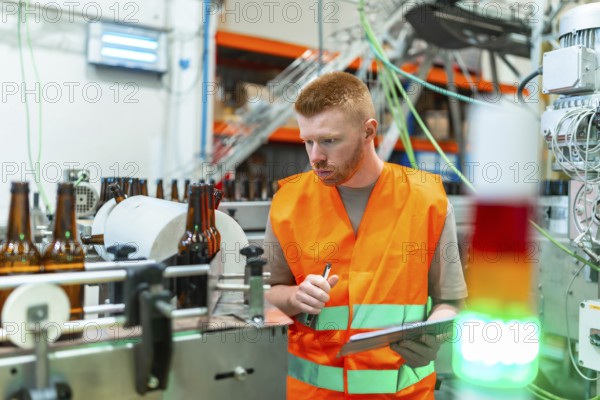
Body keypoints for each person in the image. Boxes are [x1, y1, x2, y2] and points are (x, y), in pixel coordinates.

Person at [264, 71, 467, 399]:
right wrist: (293, 297)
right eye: (308, 141)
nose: (315, 156)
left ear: (368, 131)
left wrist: (436, 337)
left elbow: (450, 302)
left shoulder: (427, 200)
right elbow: (263, 297)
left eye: (329, 140)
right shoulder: (287, 203)